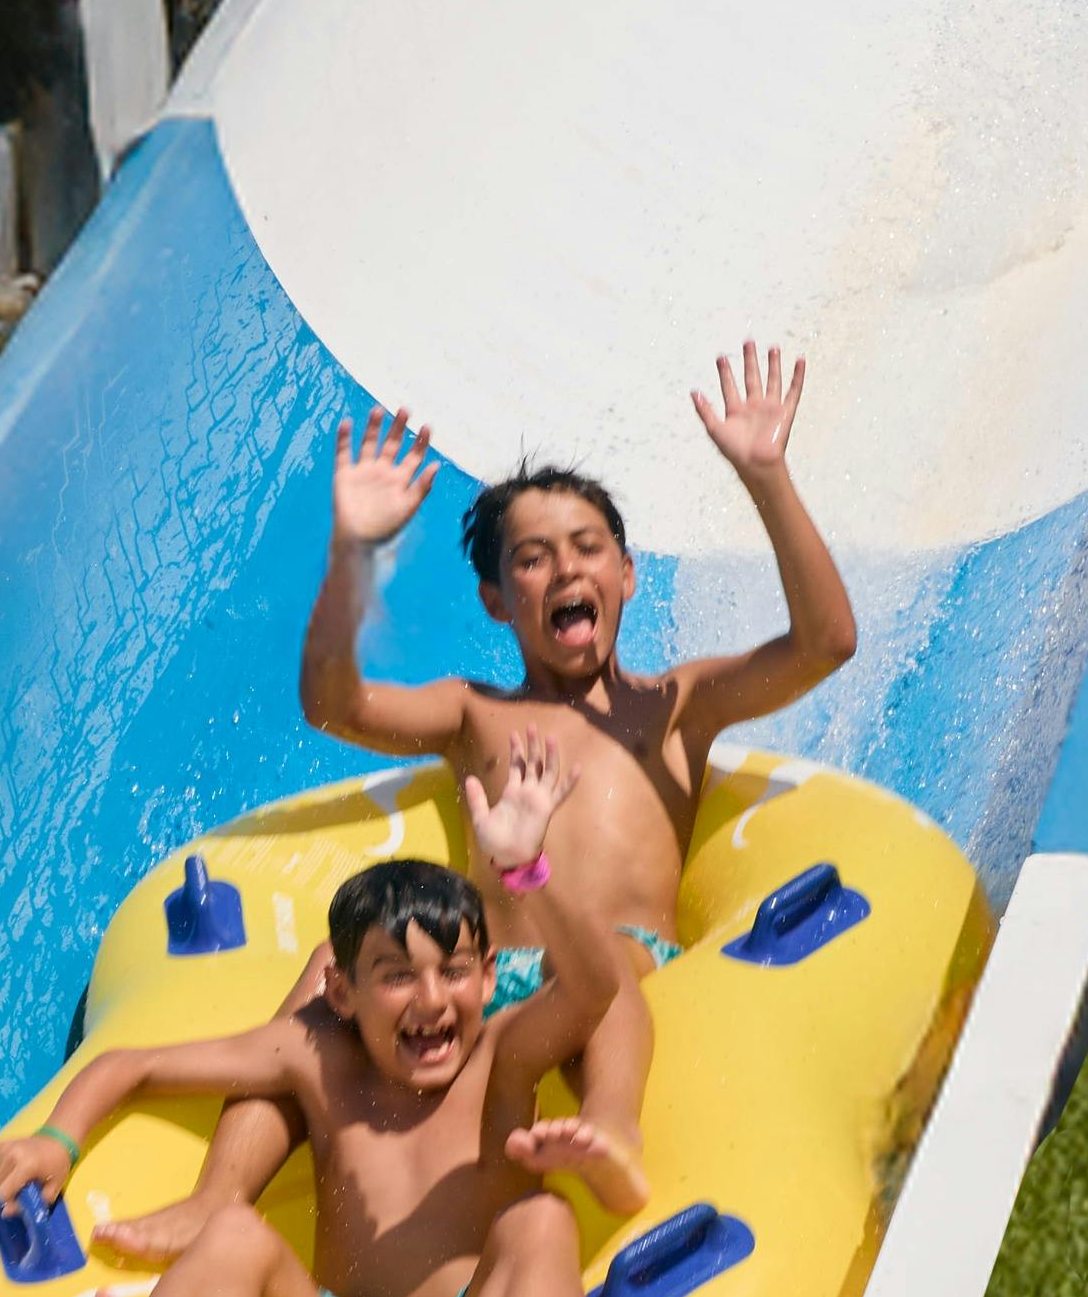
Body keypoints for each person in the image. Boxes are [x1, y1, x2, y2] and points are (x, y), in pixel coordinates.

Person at [120, 344, 855, 1239]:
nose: (567, 570)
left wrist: (767, 478)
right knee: (330, 969)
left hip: (608, 968)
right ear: (498, 600)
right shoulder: (473, 713)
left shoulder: (676, 705)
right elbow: (334, 704)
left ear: (627, 575)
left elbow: (826, 643)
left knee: (602, 955)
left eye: (588, 548)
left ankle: (612, 1126)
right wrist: (353, 552)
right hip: (482, 980)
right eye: (533, 560)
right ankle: (217, 1195)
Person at [1, 735, 629, 1297]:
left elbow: (596, 986)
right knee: (234, 1232)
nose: (432, 1000)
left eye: (454, 972)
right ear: (341, 991)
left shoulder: (504, 1054)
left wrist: (526, 870)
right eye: (396, 976)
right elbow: (134, 1065)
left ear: (490, 978)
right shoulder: (315, 1056)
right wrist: (58, 1141)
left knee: (542, 1221)